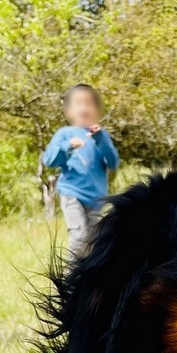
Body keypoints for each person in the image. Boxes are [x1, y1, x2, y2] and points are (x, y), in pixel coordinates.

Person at [41, 84, 119, 258]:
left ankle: (92, 279)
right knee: (80, 237)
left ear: (97, 110)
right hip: (72, 194)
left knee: (97, 242)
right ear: (68, 111)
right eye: (78, 103)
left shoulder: (101, 136)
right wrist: (68, 146)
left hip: (97, 198)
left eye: (89, 103)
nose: (84, 108)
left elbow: (113, 163)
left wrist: (100, 140)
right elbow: (49, 160)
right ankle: (72, 278)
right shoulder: (65, 134)